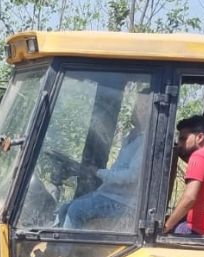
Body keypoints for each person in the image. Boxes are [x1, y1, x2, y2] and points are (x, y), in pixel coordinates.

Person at [61, 89, 151, 231]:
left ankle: (62, 252)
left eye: (144, 106)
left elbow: (131, 176)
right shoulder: (131, 137)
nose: (138, 109)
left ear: (151, 110)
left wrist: (99, 173)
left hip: (123, 202)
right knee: (64, 208)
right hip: (109, 194)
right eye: (138, 104)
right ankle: (58, 249)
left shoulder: (146, 141)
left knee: (75, 211)